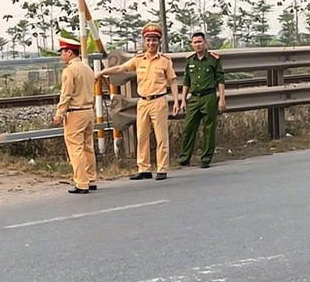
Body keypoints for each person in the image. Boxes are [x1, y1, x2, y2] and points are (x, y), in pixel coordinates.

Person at [95, 23, 180, 181]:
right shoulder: (139, 59)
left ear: (159, 42)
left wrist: (176, 101)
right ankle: (144, 168)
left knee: (161, 137)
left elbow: (173, 81)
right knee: (142, 136)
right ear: (144, 41)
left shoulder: (165, 61)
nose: (151, 43)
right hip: (143, 102)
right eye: (148, 40)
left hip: (159, 100)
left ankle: (162, 168)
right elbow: (121, 69)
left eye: (154, 40)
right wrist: (101, 73)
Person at [52, 37, 97, 194]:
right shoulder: (87, 68)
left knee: (75, 147)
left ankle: (81, 182)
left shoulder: (70, 70)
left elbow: (66, 94)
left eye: (62, 52)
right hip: (88, 110)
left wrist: (59, 114)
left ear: (69, 52)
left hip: (75, 112)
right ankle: (91, 178)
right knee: (87, 146)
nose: (61, 56)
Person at [179, 32, 226, 168]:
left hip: (209, 96)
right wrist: (183, 100)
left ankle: (206, 158)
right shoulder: (190, 60)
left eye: (199, 42)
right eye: (194, 42)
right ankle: (184, 157)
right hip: (194, 98)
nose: (197, 45)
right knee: (189, 128)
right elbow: (186, 81)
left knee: (209, 128)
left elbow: (220, 80)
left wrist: (221, 98)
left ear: (205, 43)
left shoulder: (213, 59)